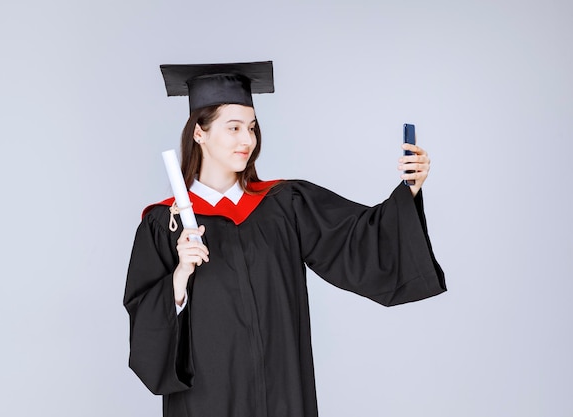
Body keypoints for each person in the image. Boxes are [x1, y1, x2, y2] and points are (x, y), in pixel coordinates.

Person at [123, 61, 446, 417]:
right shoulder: (165, 223)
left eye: (252, 127)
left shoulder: (285, 205)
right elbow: (147, 329)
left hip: (282, 395)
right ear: (200, 133)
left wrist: (409, 190)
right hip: (207, 402)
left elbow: (358, 240)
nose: (247, 140)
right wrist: (180, 276)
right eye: (233, 128)